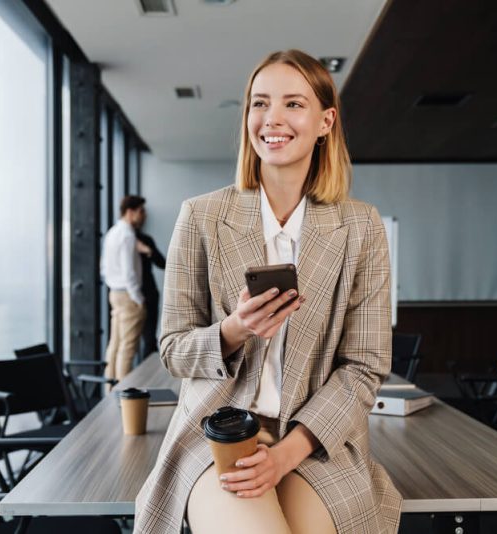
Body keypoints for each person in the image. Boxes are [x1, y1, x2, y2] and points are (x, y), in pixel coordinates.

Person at [135, 50, 402, 534]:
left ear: (326, 120)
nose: (272, 118)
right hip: (217, 434)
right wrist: (234, 330)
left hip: (315, 440)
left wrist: (284, 455)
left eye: (293, 104)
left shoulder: (361, 226)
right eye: (260, 103)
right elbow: (173, 351)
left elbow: (364, 366)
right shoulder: (201, 217)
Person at [102, 195, 147, 381]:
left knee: (115, 344)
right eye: (141, 211)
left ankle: (110, 390)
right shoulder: (127, 235)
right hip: (128, 296)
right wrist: (138, 298)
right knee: (127, 348)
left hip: (115, 292)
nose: (144, 216)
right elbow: (129, 272)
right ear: (130, 212)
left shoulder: (112, 232)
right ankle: (124, 397)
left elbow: (104, 268)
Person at [135, 228, 165, 361]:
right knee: (129, 342)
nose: (144, 215)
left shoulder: (144, 240)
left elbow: (162, 263)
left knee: (148, 337)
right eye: (141, 212)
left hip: (147, 293)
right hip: (131, 295)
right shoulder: (121, 239)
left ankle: (146, 374)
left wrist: (147, 251)